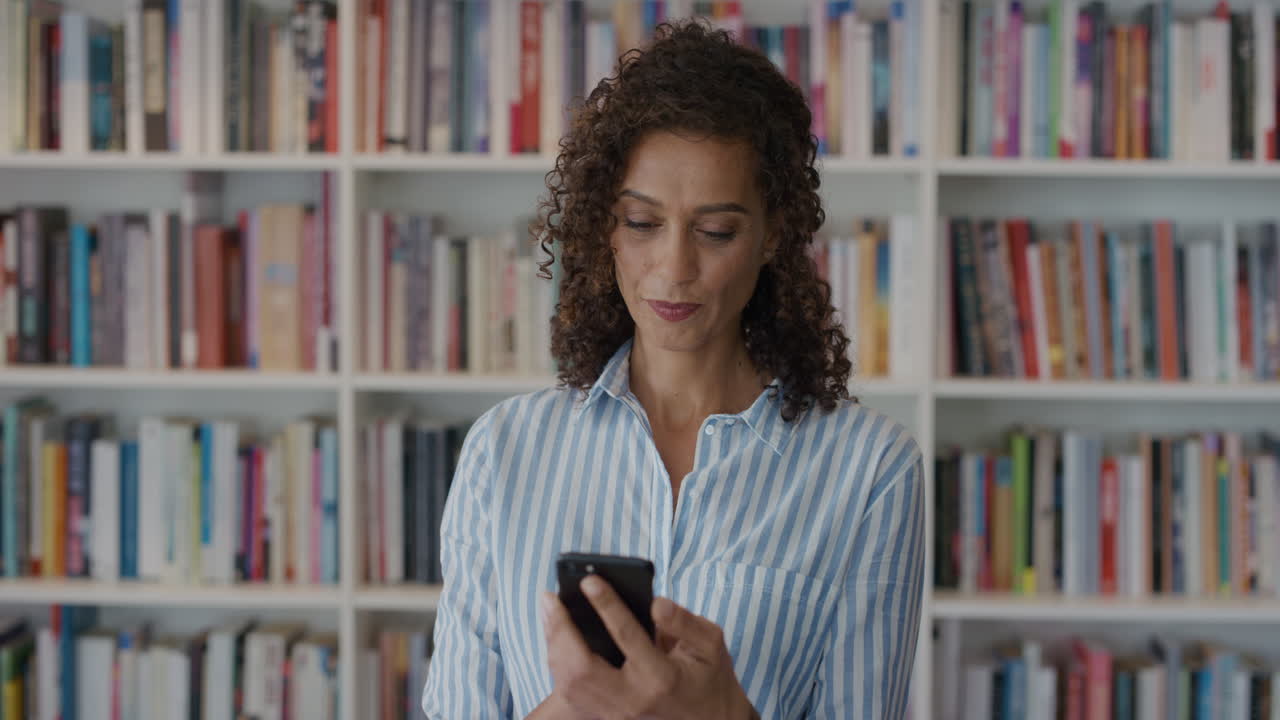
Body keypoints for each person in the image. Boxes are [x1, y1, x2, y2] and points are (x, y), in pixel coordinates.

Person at [421, 19, 924, 720]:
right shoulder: (504, 452)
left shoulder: (868, 470)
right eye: (641, 223)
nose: (674, 269)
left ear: (773, 231)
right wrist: (579, 707)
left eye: (716, 232)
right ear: (605, 225)